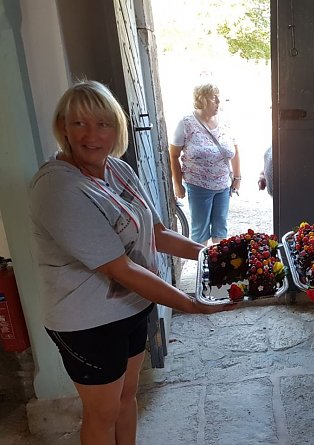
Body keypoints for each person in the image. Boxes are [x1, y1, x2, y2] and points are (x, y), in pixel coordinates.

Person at [29, 80, 238, 445]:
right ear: (63, 127)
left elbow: (157, 233)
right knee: (102, 414)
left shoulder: (117, 170)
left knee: (127, 399)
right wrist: (191, 304)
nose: (92, 135)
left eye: (103, 123)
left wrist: (213, 254)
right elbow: (119, 268)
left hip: (131, 308)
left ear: (117, 128)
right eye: (79, 124)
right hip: (87, 324)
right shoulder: (58, 188)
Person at [169, 83, 240, 245]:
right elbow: (173, 155)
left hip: (223, 185)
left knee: (220, 229)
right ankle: (202, 263)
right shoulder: (186, 123)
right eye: (213, 98)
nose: (218, 101)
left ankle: (218, 263)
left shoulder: (225, 122)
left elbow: (235, 150)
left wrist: (237, 177)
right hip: (198, 186)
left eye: (218, 97)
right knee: (200, 231)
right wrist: (177, 184)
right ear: (201, 100)